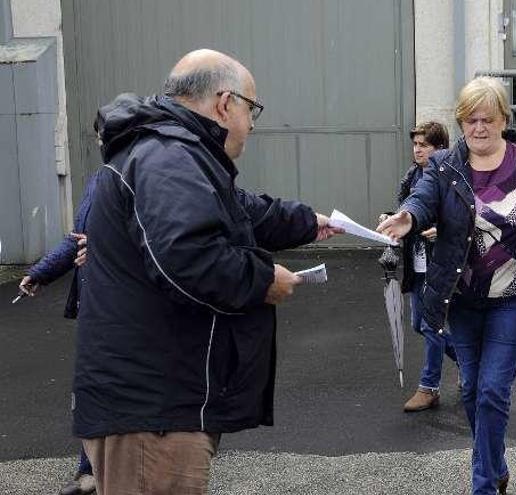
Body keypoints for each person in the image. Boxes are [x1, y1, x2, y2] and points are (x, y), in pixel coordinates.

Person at [73, 49, 341, 494]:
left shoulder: (174, 153)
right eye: (251, 109)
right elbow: (186, 258)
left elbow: (239, 211)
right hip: (154, 410)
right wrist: (263, 281)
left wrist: (310, 222)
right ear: (224, 103)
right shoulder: (168, 157)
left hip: (159, 403)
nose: (252, 124)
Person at [378, 77, 516, 495]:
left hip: (515, 300)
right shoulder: (444, 167)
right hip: (462, 300)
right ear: (461, 123)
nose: (479, 128)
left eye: (488, 119)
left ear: (505, 119)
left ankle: (484, 485)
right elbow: (423, 198)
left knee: (491, 390)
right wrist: (408, 218)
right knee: (471, 391)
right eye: (471, 120)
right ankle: (496, 462)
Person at [18, 179, 94, 495]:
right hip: (98, 306)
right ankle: (90, 471)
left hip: (137, 307)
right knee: (93, 387)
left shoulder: (156, 174)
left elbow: (162, 240)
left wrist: (106, 246)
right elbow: (76, 238)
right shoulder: (101, 183)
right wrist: (42, 272)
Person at [380, 122, 460, 412]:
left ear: (440, 149)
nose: (417, 149)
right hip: (416, 262)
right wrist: (391, 218)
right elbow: (407, 211)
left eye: (423, 145)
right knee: (420, 325)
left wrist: (442, 229)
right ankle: (467, 360)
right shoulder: (412, 176)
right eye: (415, 144)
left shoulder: (452, 177)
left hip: (440, 263)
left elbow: (465, 217)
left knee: (431, 326)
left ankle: (429, 388)